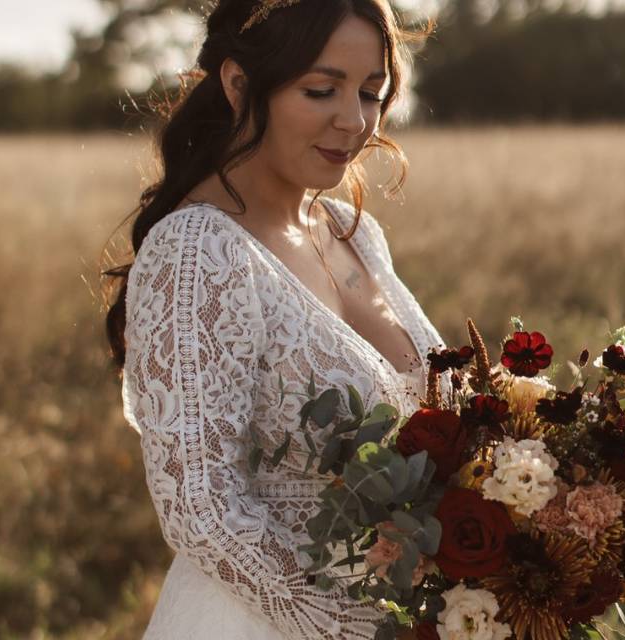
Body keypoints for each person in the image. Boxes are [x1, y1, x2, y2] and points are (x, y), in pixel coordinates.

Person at [103, 1, 443, 637]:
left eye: (371, 93)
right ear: (238, 84)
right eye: (321, 90)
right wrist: (353, 626)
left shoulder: (356, 235)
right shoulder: (198, 251)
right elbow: (199, 507)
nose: (354, 121)